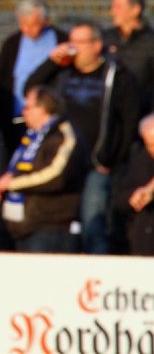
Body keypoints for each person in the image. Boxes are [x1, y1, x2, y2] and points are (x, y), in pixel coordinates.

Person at [26, 21, 139, 254]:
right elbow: (31, 90)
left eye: (81, 42)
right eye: (71, 42)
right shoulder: (62, 73)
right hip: (63, 163)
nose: (74, 48)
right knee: (61, 225)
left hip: (95, 164)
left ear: (96, 45)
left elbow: (129, 120)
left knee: (93, 223)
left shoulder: (115, 76)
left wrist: (110, 159)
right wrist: (52, 62)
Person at [0, 86, 86, 253]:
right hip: (23, 226)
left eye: (27, 107)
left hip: (50, 226)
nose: (23, 112)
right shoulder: (32, 136)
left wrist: (12, 183)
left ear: (43, 109)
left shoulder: (63, 135)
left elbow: (55, 175)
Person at [0, 0, 67, 160]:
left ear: (46, 21)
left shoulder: (61, 41)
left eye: (33, 25)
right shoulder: (12, 44)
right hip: (17, 120)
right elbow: (1, 83)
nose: (27, 30)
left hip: (50, 122)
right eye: (23, 25)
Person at [103, 0, 154, 114]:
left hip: (142, 112)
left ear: (135, 10)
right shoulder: (105, 38)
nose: (112, 11)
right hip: (110, 111)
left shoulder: (150, 42)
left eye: (118, 7)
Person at [117, 114, 154, 256]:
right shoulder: (140, 160)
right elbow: (119, 197)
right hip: (144, 239)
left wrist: (151, 190)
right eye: (150, 145)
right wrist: (133, 197)